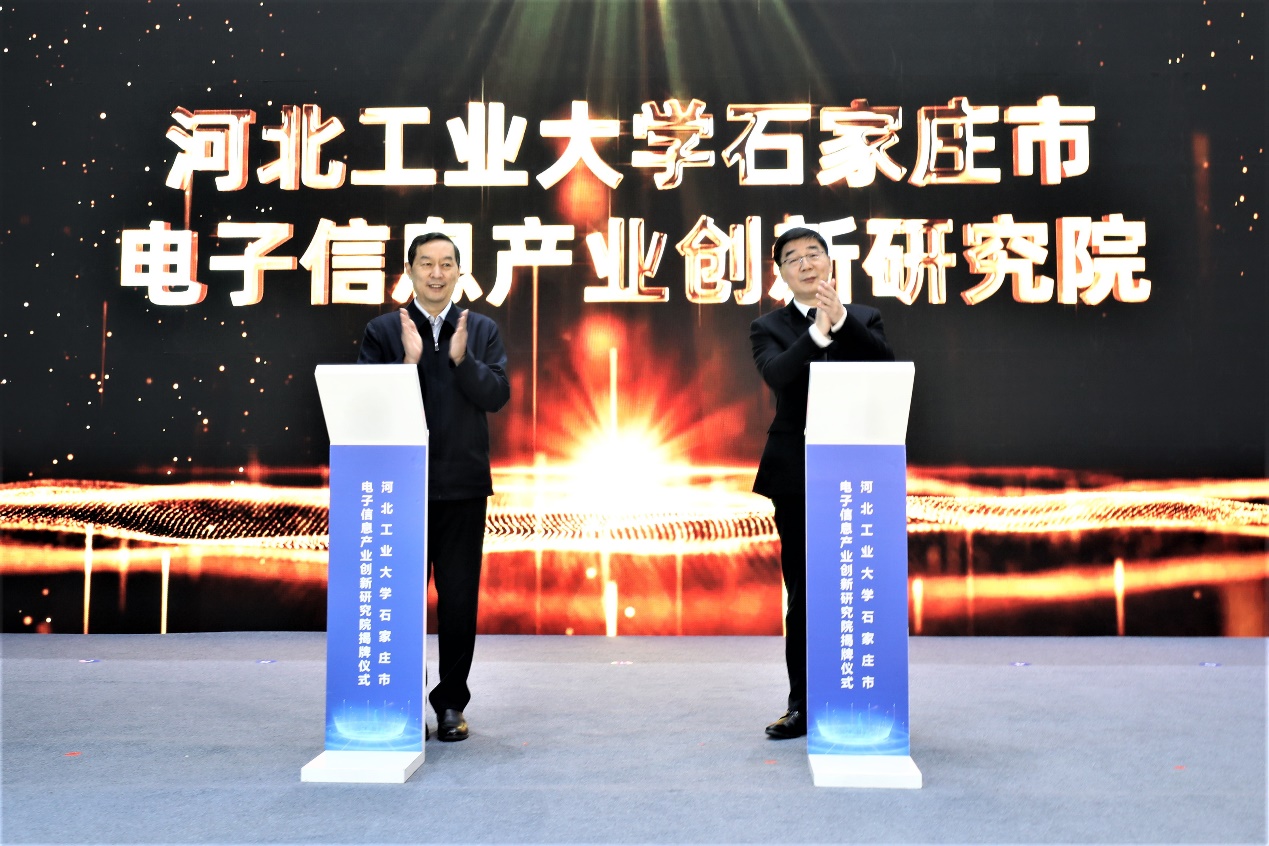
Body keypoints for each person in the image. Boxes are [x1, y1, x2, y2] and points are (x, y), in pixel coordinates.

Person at [357, 232, 510, 742]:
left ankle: (450, 704)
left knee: (459, 601)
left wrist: (463, 362)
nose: (437, 273)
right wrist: (408, 363)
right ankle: (402, 700)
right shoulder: (384, 330)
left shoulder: (480, 329)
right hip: (400, 487)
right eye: (426, 263)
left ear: (459, 272)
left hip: (463, 487)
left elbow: (497, 396)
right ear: (409, 271)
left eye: (447, 264)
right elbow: (368, 406)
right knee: (400, 600)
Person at [749, 226, 894, 739]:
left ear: (830, 263)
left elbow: (884, 367)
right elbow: (779, 375)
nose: (806, 263)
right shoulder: (768, 326)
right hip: (797, 473)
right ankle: (803, 705)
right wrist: (816, 332)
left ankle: (864, 697)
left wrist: (842, 322)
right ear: (782, 274)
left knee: (859, 588)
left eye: (814, 253)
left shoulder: (865, 318)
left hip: (861, 470)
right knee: (805, 593)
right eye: (793, 258)